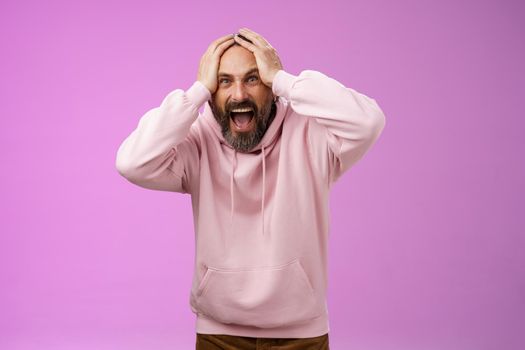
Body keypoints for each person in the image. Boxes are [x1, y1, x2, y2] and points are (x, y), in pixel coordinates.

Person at [115, 27, 386, 350]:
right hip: (219, 333)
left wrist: (285, 79)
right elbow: (132, 162)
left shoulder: (312, 135)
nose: (239, 95)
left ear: (271, 87)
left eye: (253, 79)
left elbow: (368, 122)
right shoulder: (197, 142)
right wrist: (197, 91)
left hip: (301, 336)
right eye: (225, 81)